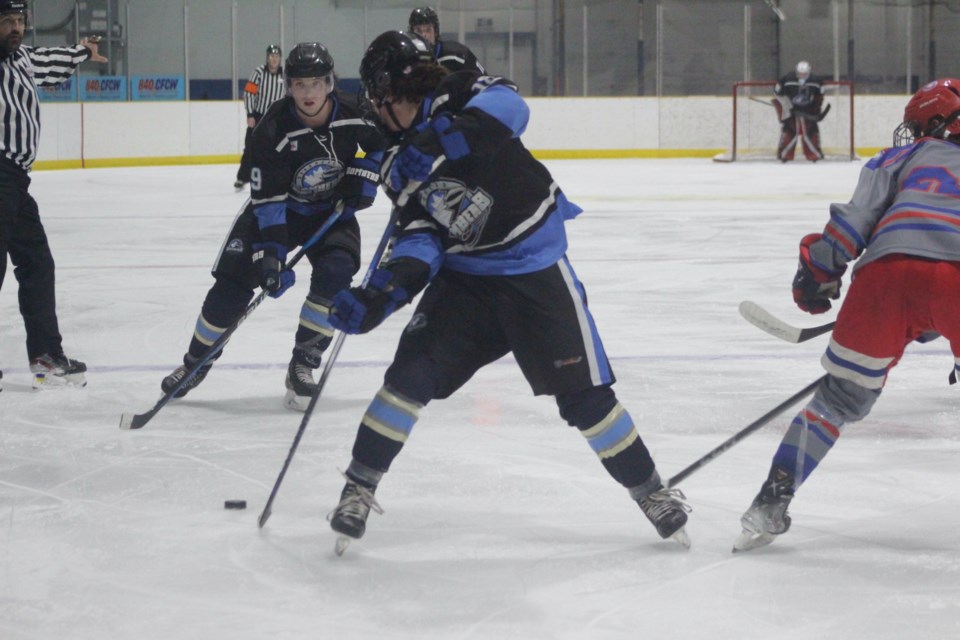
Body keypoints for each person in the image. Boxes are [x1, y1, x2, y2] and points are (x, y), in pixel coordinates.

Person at [325, 31, 691, 554]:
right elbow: (421, 239)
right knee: (407, 379)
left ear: (394, 93)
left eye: (381, 105)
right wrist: (381, 296)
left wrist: (437, 138)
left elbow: (510, 110)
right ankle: (357, 489)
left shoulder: (460, 91)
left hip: (533, 269)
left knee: (585, 398)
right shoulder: (396, 162)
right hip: (466, 283)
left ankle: (652, 492)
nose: (378, 117)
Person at [734, 77, 960, 551]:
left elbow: (850, 225)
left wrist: (818, 274)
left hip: (883, 276)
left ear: (935, 123)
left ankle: (770, 501)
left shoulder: (898, 157)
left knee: (837, 401)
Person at [161, 42, 385, 411]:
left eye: (315, 83)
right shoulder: (272, 129)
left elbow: (382, 145)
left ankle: (303, 363)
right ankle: (195, 363)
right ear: (288, 87)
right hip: (281, 211)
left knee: (337, 273)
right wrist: (271, 256)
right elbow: (268, 202)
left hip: (331, 214)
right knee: (232, 285)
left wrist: (366, 171)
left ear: (329, 83)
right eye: (299, 85)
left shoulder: (356, 111)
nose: (308, 93)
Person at [0, 0, 107, 389]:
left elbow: (49, 61)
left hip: (15, 182)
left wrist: (81, 50)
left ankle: (45, 356)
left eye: (19, 20)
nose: (15, 27)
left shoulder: (23, 58)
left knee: (38, 265)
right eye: (7, 21)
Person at [235, 45, 285, 190]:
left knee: (278, 148)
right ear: (267, 57)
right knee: (251, 147)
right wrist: (250, 114)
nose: (274, 59)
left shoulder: (285, 75)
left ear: (280, 58)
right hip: (259, 116)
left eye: (276, 56)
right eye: (271, 56)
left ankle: (276, 177)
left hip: (277, 118)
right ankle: (242, 177)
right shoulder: (258, 73)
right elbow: (249, 94)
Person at [773, 60, 826, 162]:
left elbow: (819, 97)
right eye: (799, 74)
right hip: (790, 111)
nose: (801, 76)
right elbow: (779, 94)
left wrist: (816, 109)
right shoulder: (787, 79)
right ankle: (785, 154)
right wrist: (787, 106)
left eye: (804, 74)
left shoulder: (816, 81)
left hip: (808, 111)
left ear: (809, 72)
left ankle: (814, 153)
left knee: (811, 131)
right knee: (789, 130)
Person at [408, 6, 484, 74]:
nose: (424, 35)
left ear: (436, 32)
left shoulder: (457, 55)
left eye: (428, 30)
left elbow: (483, 82)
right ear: (411, 33)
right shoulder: (407, 59)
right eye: (418, 30)